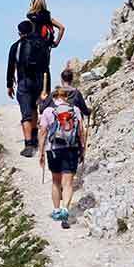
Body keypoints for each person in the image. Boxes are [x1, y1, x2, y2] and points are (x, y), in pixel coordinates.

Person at [38, 88, 86, 227]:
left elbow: (42, 132)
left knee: (56, 182)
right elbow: (81, 131)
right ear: (66, 97)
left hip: (53, 150)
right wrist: (82, 148)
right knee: (68, 183)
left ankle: (56, 209)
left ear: (54, 98)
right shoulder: (75, 110)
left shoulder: (48, 111)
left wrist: (41, 152)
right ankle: (66, 209)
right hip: (71, 148)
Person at [6, 20, 51, 157]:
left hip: (24, 82)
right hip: (38, 82)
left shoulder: (15, 46)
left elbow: (11, 67)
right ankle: (35, 138)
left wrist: (9, 85)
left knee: (26, 113)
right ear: (32, 30)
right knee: (34, 109)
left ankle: (29, 145)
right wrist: (46, 87)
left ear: (19, 32)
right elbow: (46, 66)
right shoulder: (41, 44)